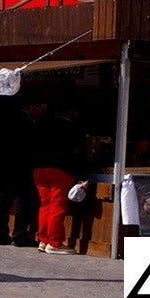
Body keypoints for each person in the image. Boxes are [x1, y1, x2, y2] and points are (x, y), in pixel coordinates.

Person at [0, 92, 42, 248]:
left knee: (1, 199)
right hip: (20, 163)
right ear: (31, 106)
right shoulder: (26, 120)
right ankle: (20, 234)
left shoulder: (3, 116)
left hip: (1, 163)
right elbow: (31, 144)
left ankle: (0, 234)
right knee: (22, 199)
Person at [32, 99, 89, 255]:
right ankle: (55, 242)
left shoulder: (41, 123)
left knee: (45, 205)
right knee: (57, 206)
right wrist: (83, 175)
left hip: (38, 168)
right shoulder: (72, 127)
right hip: (60, 169)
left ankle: (43, 239)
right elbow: (78, 152)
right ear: (71, 112)